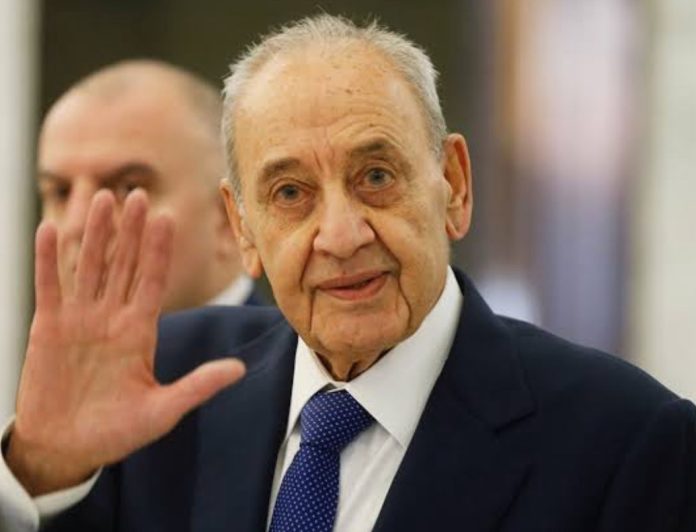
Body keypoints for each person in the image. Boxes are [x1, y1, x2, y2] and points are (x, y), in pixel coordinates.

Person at [1, 14, 694, 532]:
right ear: (242, 228)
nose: (339, 235)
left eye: (376, 177)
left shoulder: (630, 444)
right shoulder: (162, 382)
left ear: (453, 186)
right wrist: (43, 471)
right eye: (290, 193)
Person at [35, 59, 263, 311]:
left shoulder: (293, 338)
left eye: (128, 189)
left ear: (229, 220)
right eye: (61, 192)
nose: (77, 225)